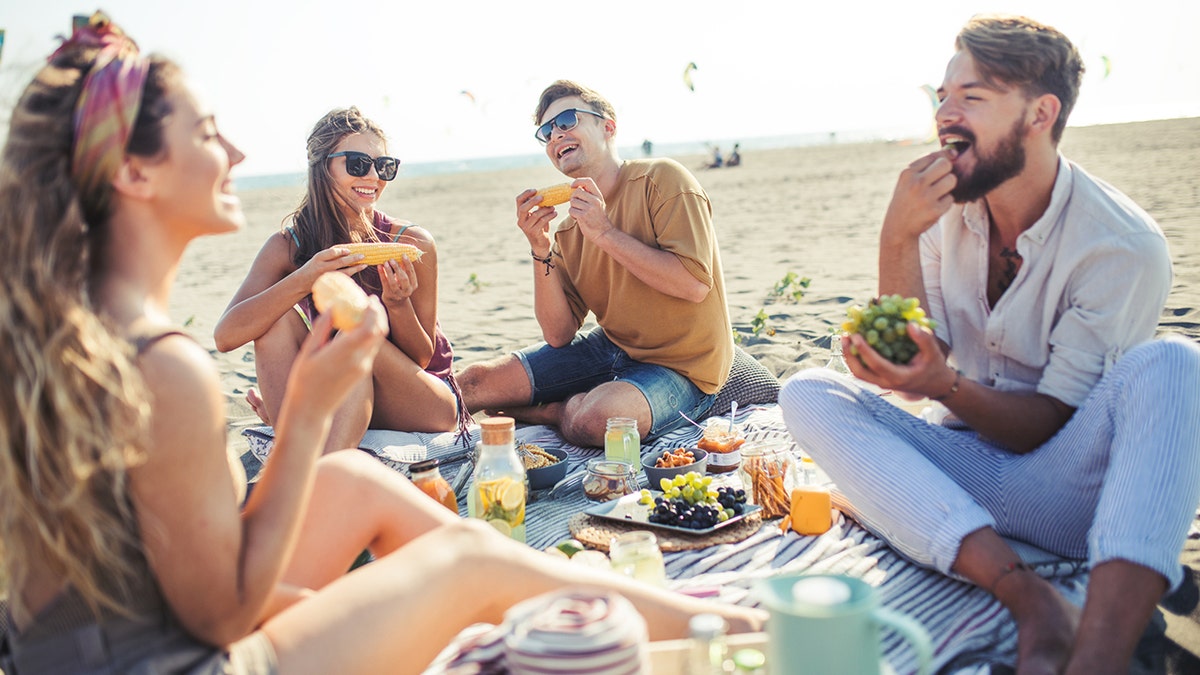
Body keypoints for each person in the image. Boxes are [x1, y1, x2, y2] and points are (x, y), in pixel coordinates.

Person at [0, 15, 766, 675]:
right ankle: (741, 633)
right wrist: (305, 413)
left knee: (363, 488)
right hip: (170, 658)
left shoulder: (73, 326)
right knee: (463, 561)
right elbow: (222, 615)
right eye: (208, 133)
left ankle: (636, 605)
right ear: (133, 171)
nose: (235, 152)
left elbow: (163, 576)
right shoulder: (164, 367)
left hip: (94, 640)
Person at [778, 14, 1200, 675]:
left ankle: (1098, 658)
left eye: (971, 96)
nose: (945, 113)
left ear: (1040, 113)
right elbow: (914, 356)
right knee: (805, 390)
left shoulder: (1121, 245)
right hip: (963, 462)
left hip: (1067, 490)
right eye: (941, 96)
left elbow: (1044, 425)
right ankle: (1032, 601)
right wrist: (896, 239)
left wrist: (940, 385)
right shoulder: (943, 208)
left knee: (1175, 362)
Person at [458, 80, 734, 447]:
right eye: (546, 132)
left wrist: (604, 233)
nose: (556, 135)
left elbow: (693, 285)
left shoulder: (663, 180)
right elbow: (558, 334)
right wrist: (539, 247)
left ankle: (552, 412)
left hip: (685, 366)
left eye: (568, 120)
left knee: (597, 420)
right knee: (472, 383)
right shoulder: (569, 229)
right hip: (613, 347)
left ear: (608, 127)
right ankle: (576, 397)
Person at [213, 106, 468, 453]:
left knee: (352, 341)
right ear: (322, 166)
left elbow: (423, 359)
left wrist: (397, 303)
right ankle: (297, 444)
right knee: (274, 320)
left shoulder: (411, 242)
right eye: (357, 164)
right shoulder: (288, 247)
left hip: (424, 402)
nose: (373, 178)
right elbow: (227, 336)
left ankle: (321, 471)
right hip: (342, 394)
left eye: (384, 166)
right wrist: (306, 277)